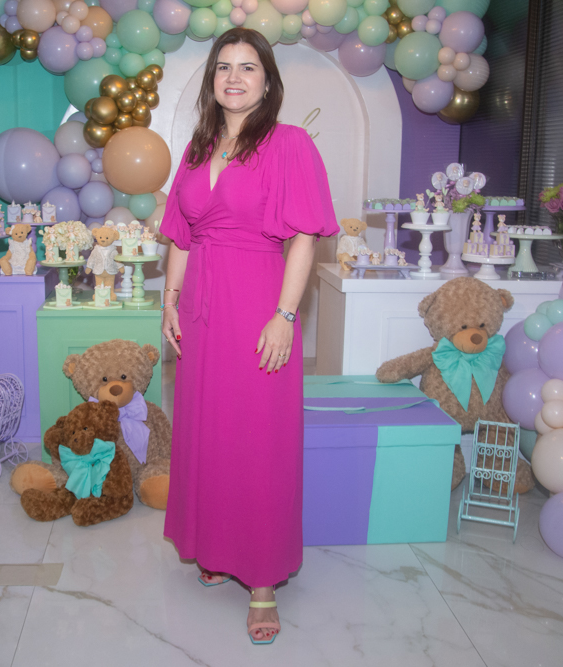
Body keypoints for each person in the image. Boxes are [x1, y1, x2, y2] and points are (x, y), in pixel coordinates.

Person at [159, 27, 338, 644]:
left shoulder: (289, 144)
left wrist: (285, 316)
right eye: (224, 67)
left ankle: (262, 580)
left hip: (260, 302)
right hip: (202, 309)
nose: (234, 78)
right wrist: (170, 301)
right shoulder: (196, 147)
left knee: (260, 437)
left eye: (248, 67)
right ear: (212, 79)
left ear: (267, 82)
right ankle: (215, 546)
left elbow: (305, 238)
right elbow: (182, 234)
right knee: (208, 431)